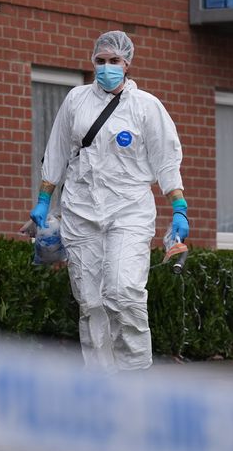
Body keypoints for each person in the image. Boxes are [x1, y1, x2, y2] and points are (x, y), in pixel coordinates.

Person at [28, 30, 189, 374]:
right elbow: (56, 152)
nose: (106, 68)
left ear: (127, 63)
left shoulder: (146, 107)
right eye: (100, 61)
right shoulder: (76, 100)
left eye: (114, 61)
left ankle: (135, 372)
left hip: (128, 212)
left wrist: (178, 208)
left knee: (124, 291)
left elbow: (166, 160)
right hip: (80, 213)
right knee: (91, 302)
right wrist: (43, 201)